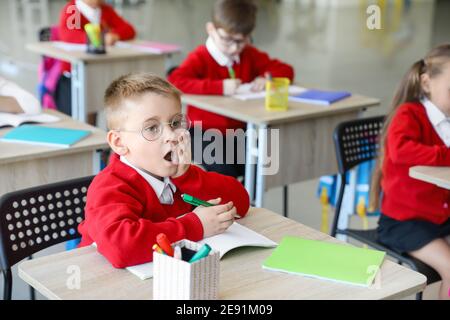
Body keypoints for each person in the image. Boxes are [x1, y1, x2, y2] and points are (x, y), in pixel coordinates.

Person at [78, 73, 250, 268]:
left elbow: (240, 204)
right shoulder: (110, 186)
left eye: (176, 123)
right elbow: (121, 248)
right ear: (119, 143)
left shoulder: (180, 173)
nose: (172, 136)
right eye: (152, 128)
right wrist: (195, 225)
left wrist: (188, 178)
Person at [168, 0, 294, 179]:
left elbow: (286, 70)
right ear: (211, 29)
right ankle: (232, 201)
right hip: (203, 132)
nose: (234, 48)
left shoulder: (248, 54)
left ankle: (248, 201)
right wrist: (219, 87)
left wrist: (266, 78)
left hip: (240, 132)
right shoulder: (201, 56)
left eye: (241, 42)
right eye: (227, 40)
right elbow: (175, 81)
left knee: (263, 167)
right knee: (224, 169)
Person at [370, 44, 450, 299]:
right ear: (426, 83)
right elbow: (400, 150)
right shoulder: (409, 114)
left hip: (440, 214)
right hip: (405, 222)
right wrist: (443, 154)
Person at [56, 0, 136, 118]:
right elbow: (69, 35)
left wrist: (115, 35)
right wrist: (101, 39)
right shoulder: (74, 9)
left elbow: (129, 29)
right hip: (74, 75)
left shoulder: (105, 10)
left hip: (101, 71)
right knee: (82, 113)